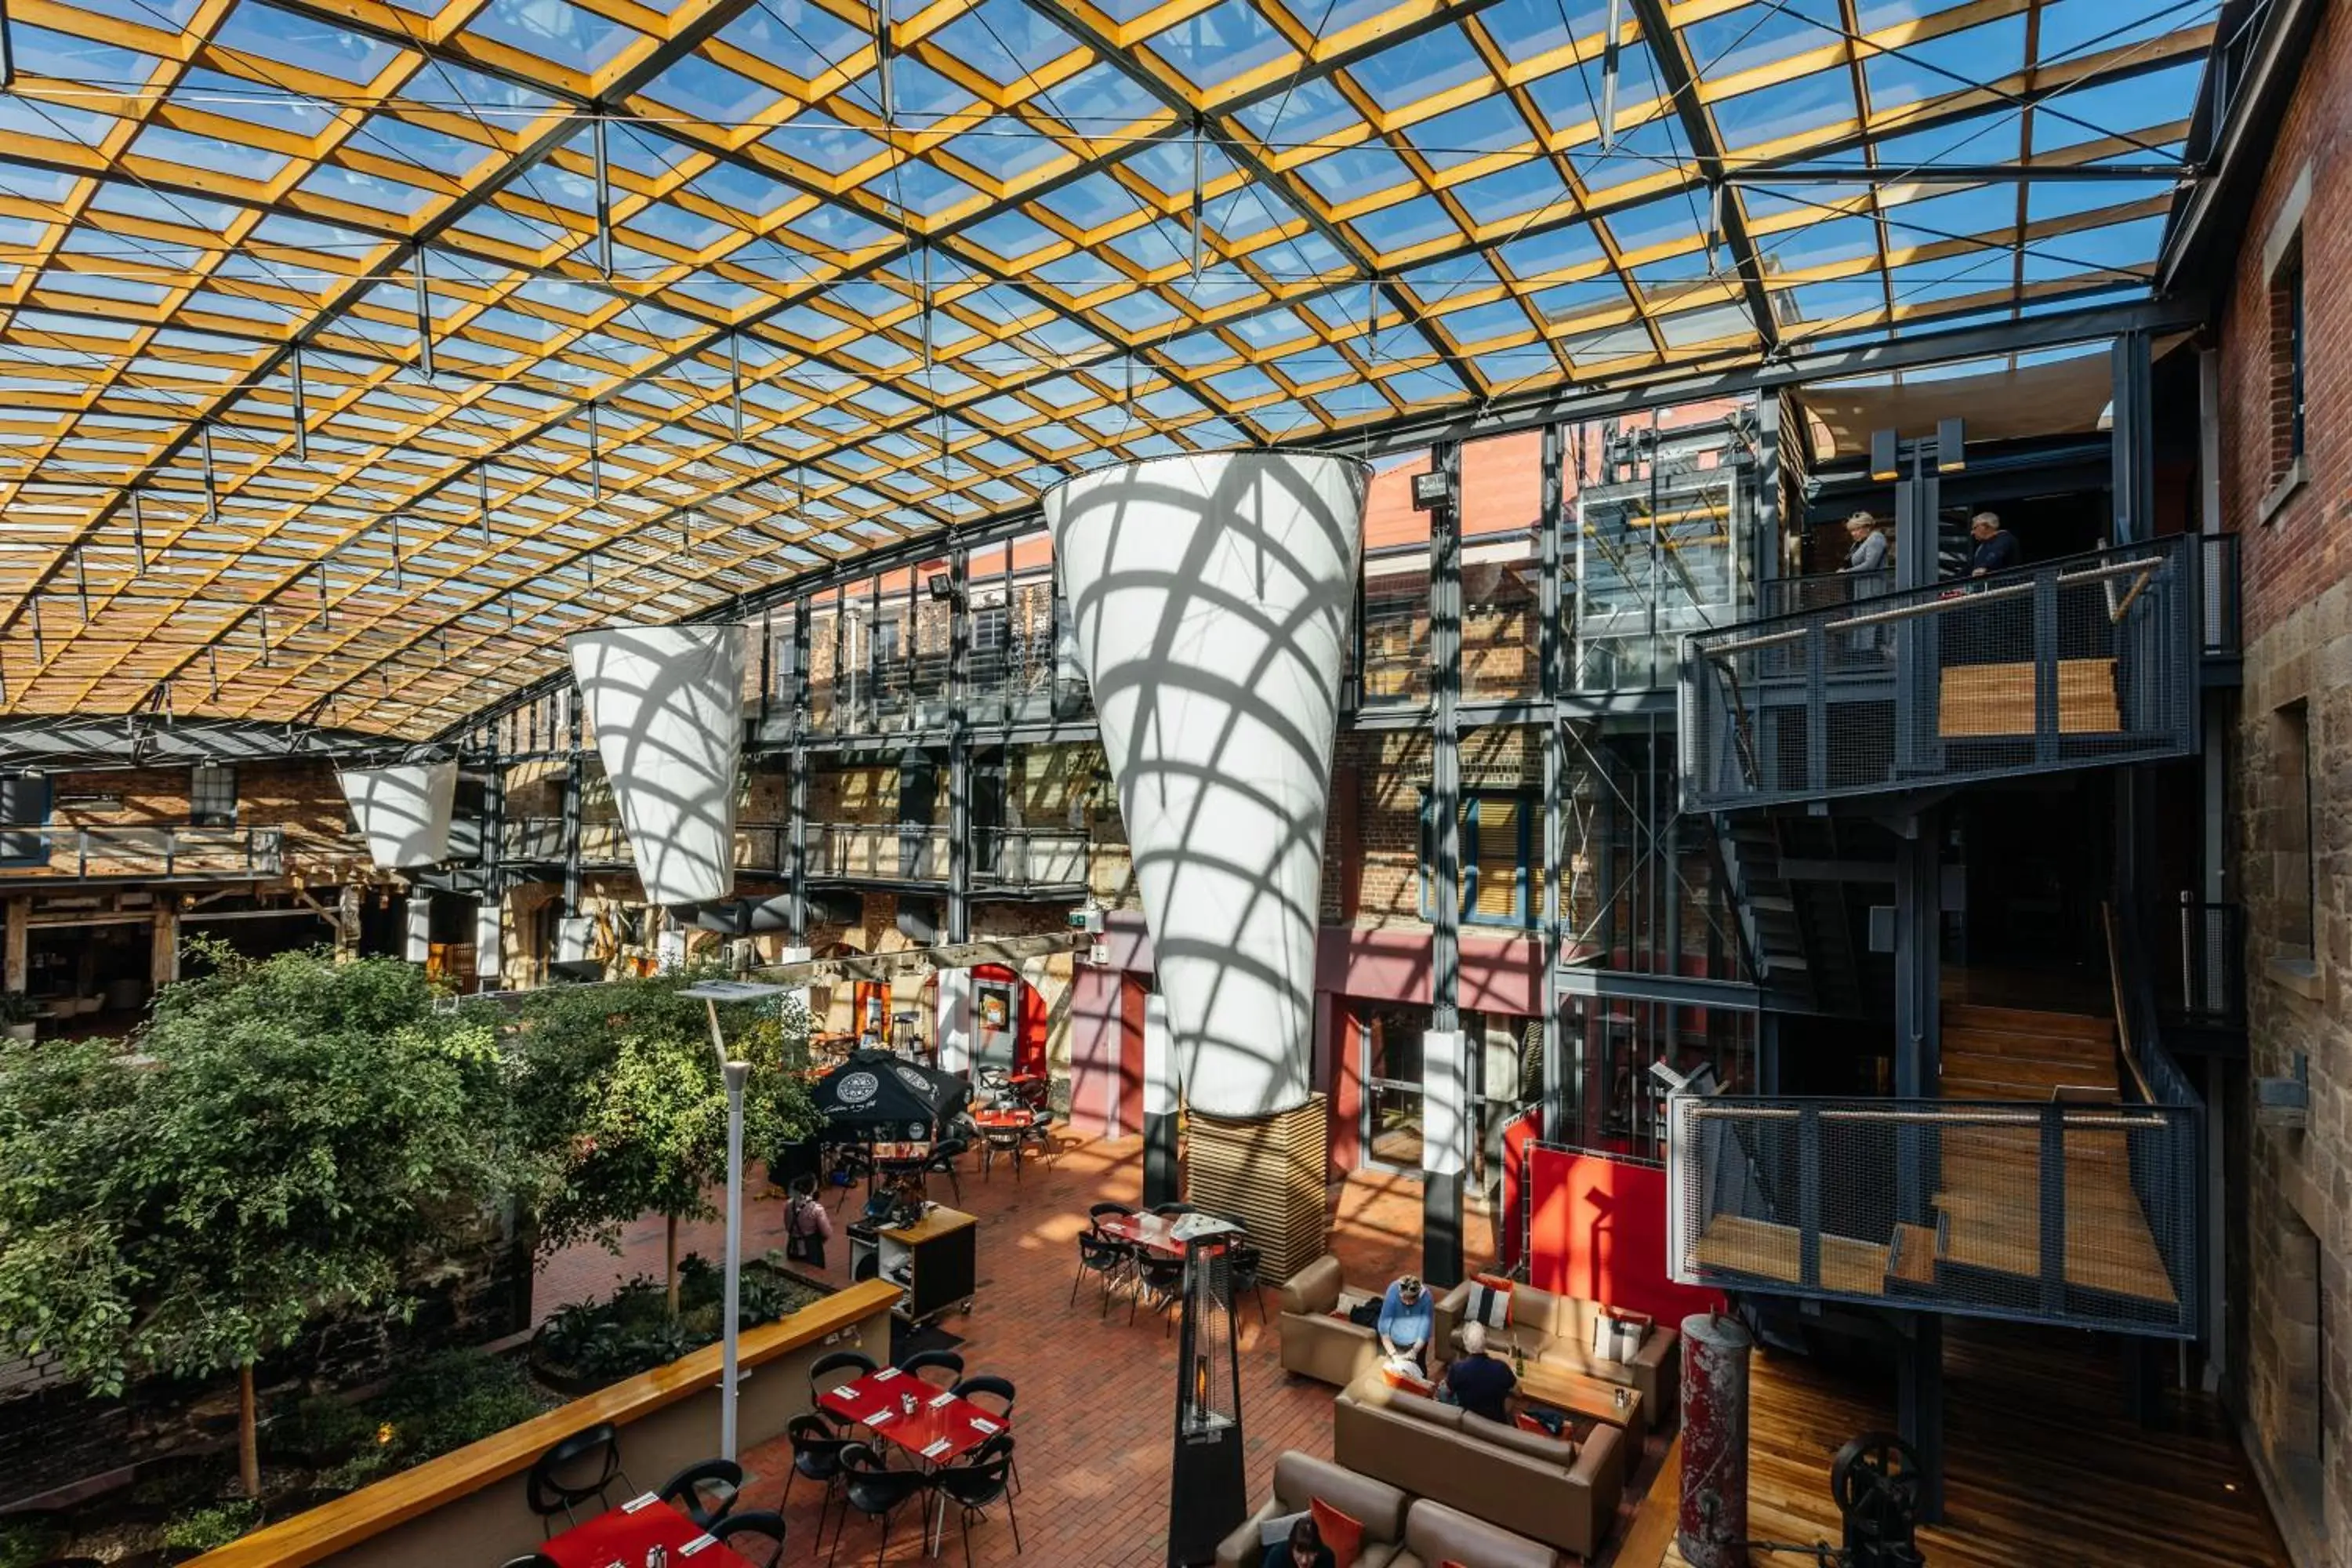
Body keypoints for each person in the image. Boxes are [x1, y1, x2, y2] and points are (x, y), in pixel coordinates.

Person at [1441, 1321, 1521, 1425]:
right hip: (1497, 1425)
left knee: (1443, 1390)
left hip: (1468, 1424)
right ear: (1485, 1342)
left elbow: (1447, 1392)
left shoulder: (1457, 1368)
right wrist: (1513, 1375)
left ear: (1465, 1344)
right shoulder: (1501, 1368)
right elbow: (1519, 1392)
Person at [1376, 1273, 1433, 1372]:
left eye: (1411, 1300)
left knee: (1419, 1371)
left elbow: (1424, 1332)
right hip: (1393, 1342)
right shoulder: (1393, 1293)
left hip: (1416, 1344)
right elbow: (1384, 1330)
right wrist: (1393, 1354)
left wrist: (1414, 1352)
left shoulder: (1426, 1299)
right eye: (1404, 1299)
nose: (1407, 1303)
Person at [785, 1174, 833, 1269]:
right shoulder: (816, 1209)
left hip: (792, 1247)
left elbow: (787, 1226)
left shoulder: (788, 1204)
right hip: (811, 1249)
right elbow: (827, 1233)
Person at [1261, 1514, 1334, 1568]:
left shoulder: (1327, 1557)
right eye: (1300, 1551)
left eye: (1311, 1552)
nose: (1304, 1560)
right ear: (1291, 1546)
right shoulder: (1277, 1556)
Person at [1967, 511, 2020, 577]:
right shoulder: (1982, 546)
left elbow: (1997, 553)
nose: (1972, 533)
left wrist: (1984, 567)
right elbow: (1969, 568)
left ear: (1985, 526)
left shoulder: (2005, 538)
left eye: (1975, 528)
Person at [1842, 510, 1889, 577]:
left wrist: (1846, 572)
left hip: (1873, 585)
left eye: (1857, 529)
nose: (1853, 534)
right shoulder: (1857, 544)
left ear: (1868, 527)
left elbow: (1870, 565)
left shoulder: (1876, 538)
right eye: (1852, 530)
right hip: (1859, 584)